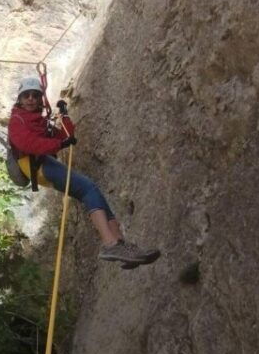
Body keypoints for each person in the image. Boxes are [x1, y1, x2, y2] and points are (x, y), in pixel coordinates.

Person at [8, 77, 160, 268]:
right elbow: (27, 143)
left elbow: (66, 136)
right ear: (20, 99)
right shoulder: (17, 120)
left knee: (93, 190)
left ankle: (121, 245)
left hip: (42, 162)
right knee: (87, 188)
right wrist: (59, 144)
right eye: (26, 95)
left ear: (40, 99)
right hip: (36, 166)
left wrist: (64, 116)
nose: (31, 99)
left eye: (35, 95)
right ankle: (111, 244)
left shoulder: (39, 120)